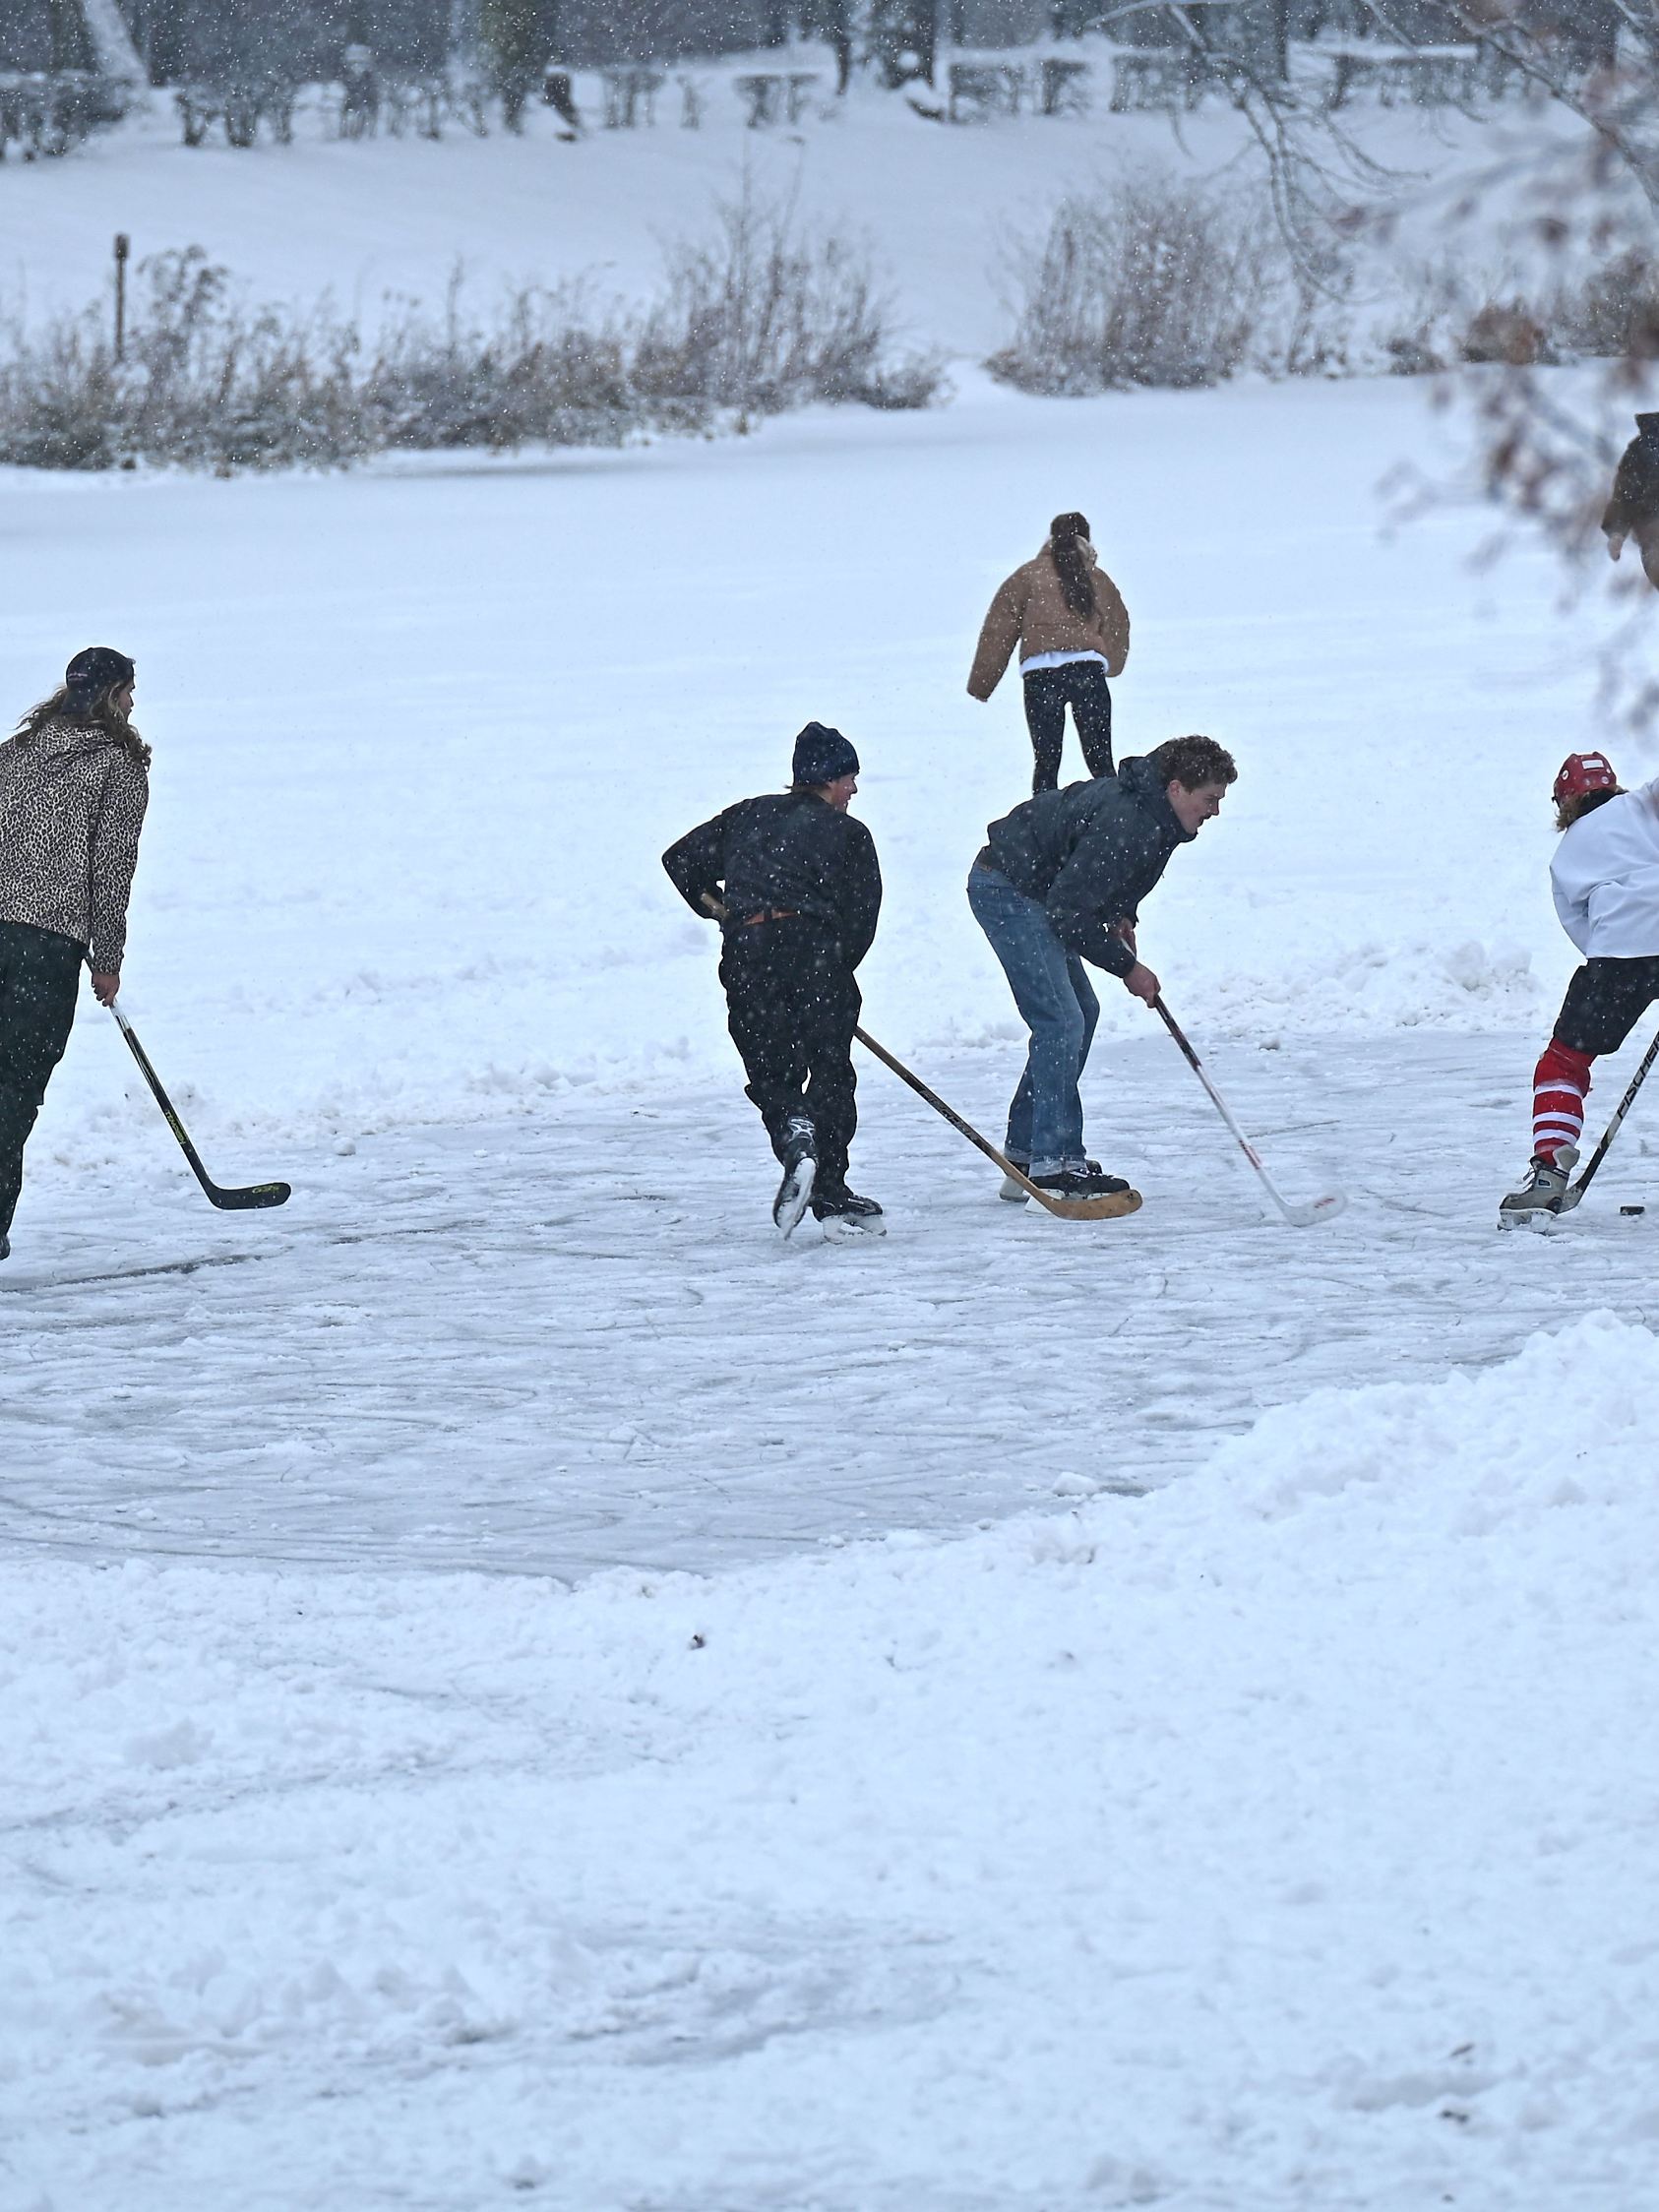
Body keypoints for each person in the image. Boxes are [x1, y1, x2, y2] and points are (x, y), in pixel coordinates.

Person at [967, 735, 1237, 1201]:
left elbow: (1115, 875)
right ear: (1176, 788)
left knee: (1080, 1014)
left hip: (1042, 891)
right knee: (1061, 1019)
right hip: (1009, 888)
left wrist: (1121, 915)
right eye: (1209, 798)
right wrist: (1127, 968)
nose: (1214, 811)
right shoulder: (1130, 819)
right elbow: (1068, 912)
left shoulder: (1160, 817)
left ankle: (1027, 1153)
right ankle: (1054, 1163)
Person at [662, 722, 884, 1239]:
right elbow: (861, 919)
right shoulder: (850, 834)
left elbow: (679, 860)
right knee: (830, 1071)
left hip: (749, 954)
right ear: (829, 779)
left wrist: (721, 911)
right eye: (850, 777)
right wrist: (832, 978)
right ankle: (830, 1191)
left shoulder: (748, 815)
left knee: (772, 1069)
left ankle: (794, 1134)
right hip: (814, 951)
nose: (854, 789)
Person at [0, 647, 150, 1260]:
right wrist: (108, 957)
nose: (134, 703)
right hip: (44, 947)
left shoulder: (14, 754)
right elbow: (111, 869)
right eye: (129, 690)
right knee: (13, 1088)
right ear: (111, 694)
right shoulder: (117, 765)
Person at [1500, 749, 1659, 1223]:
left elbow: (1584, 933)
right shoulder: (1646, 804)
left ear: (1563, 804)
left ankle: (1549, 1172)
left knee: (1564, 1061)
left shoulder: (1566, 857)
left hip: (1618, 953)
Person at [967, 512, 1132, 795]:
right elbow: (1117, 624)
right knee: (1100, 761)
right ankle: (1114, 818)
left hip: (1040, 676)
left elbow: (998, 630)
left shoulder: (1027, 576)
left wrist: (982, 684)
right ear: (1087, 541)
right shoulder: (1096, 577)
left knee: (1046, 762)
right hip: (1087, 673)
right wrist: (1112, 665)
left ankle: (1042, 828)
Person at [1603, 413, 1659, 591]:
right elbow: (1626, 495)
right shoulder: (1642, 449)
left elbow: (1625, 495)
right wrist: (1617, 531)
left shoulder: (1641, 448)